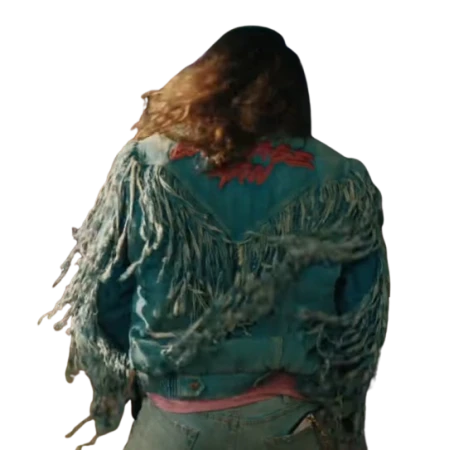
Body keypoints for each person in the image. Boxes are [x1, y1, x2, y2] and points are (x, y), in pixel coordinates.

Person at [38, 25, 390, 450]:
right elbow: (358, 316)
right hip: (289, 418)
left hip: (175, 416)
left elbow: (109, 298)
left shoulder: (148, 165)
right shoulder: (339, 178)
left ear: (204, 84)